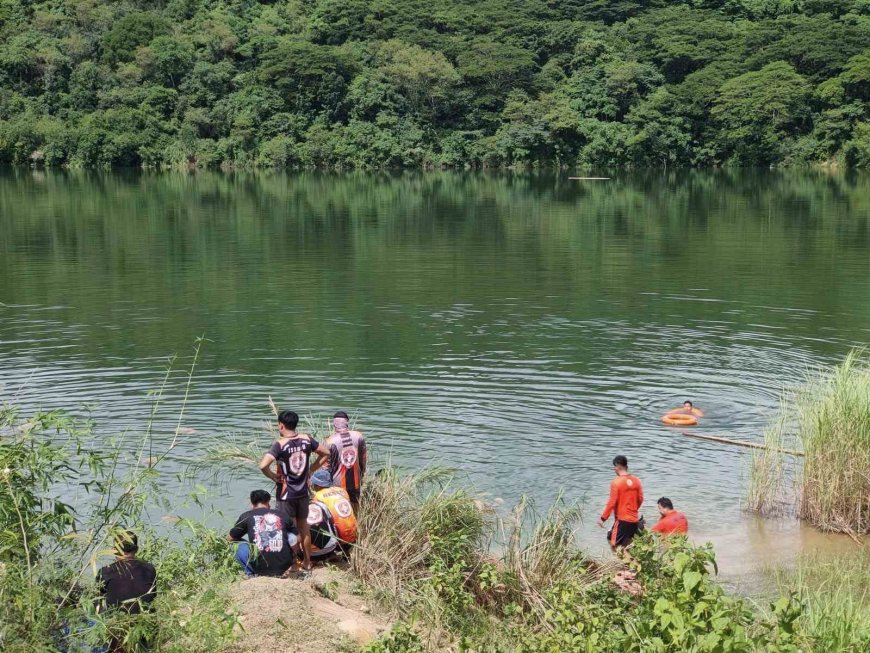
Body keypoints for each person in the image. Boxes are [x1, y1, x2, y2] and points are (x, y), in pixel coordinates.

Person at [259, 410, 330, 571]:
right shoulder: (306, 439)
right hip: (303, 492)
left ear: (281, 425)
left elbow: (263, 465)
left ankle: (293, 564)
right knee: (304, 527)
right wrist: (311, 469)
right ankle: (307, 562)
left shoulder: (280, 444)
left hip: (286, 494)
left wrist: (272, 476)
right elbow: (326, 453)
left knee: (289, 528)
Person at [228, 489, 297, 577]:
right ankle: (292, 565)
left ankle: (250, 574)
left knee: (237, 543)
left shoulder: (246, 516)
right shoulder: (283, 515)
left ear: (252, 504)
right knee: (291, 537)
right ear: (268, 503)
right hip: (284, 566)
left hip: (261, 569)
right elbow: (297, 538)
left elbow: (230, 539)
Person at [96, 531, 157, 615]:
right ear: (136, 549)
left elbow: (98, 598)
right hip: (147, 621)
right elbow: (153, 595)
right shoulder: (149, 569)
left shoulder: (105, 571)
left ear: (114, 550)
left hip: (117, 623)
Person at [317, 411, 366, 510]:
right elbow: (363, 458)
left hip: (337, 484)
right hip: (356, 480)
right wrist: (362, 472)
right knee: (355, 505)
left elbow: (325, 467)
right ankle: (357, 523)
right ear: (347, 423)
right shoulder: (358, 436)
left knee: (339, 509)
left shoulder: (329, 441)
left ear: (334, 424)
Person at [306, 469, 358, 561]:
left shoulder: (318, 497)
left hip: (339, 539)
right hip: (353, 536)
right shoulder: (342, 491)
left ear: (317, 485)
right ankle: (346, 552)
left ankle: (330, 552)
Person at [596, 455, 644, 550]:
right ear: (626, 466)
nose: (614, 469)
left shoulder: (616, 482)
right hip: (634, 520)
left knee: (614, 546)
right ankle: (631, 563)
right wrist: (633, 510)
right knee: (628, 546)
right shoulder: (636, 480)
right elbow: (641, 498)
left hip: (622, 520)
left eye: (614, 467)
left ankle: (621, 564)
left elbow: (612, 502)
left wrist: (603, 518)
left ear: (618, 466)